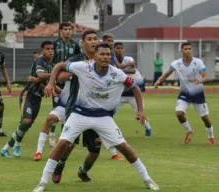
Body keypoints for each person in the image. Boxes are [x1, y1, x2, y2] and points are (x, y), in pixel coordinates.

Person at [33, 43, 160, 192]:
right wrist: (50, 83)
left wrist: (140, 110)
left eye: (108, 55)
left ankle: (148, 179)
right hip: (80, 113)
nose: (105, 57)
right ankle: (42, 182)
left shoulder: (116, 73)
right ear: (94, 56)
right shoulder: (82, 66)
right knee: (62, 144)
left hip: (103, 117)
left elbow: (135, 88)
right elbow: (59, 66)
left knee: (123, 147)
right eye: (102, 54)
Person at [0, 41, 54, 158]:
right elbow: (40, 75)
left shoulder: (50, 64)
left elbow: (40, 80)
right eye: (47, 49)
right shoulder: (40, 61)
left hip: (38, 98)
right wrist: (54, 75)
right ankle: (17, 145)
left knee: (26, 125)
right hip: (28, 95)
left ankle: (5, 148)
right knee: (26, 121)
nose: (50, 51)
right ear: (42, 51)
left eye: (52, 49)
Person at [154, 42, 215, 145]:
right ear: (181, 51)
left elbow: (205, 77)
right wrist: (159, 81)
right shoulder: (176, 63)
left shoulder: (198, 62)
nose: (188, 51)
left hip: (198, 94)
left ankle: (210, 135)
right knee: (179, 113)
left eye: (189, 49)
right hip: (184, 94)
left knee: (205, 118)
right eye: (185, 49)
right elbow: (166, 74)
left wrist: (200, 80)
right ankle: (189, 130)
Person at [49, 22, 81, 147]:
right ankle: (52, 135)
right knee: (57, 107)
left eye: (69, 29)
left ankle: (64, 135)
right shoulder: (55, 44)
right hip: (58, 81)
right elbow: (50, 61)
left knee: (68, 107)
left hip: (70, 81)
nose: (68, 31)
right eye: (65, 29)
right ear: (61, 31)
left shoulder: (75, 45)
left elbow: (79, 60)